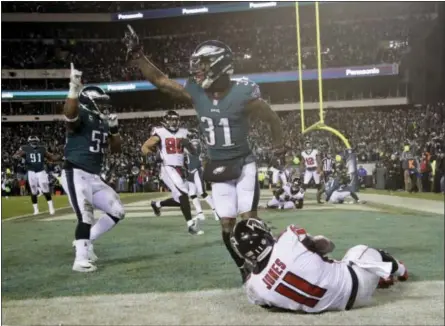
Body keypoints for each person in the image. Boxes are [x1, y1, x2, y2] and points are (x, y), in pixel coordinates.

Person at [124, 26, 285, 282]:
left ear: (219, 64)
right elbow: (160, 81)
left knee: (250, 221)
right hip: (218, 167)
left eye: (203, 64)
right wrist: (138, 55)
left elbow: (272, 118)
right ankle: (244, 269)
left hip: (244, 163)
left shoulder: (244, 92)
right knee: (226, 226)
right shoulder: (196, 91)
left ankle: (267, 267)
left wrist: (279, 145)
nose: (197, 70)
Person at [231, 219, 408, 313]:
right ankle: (401, 270)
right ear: (263, 236)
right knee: (360, 250)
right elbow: (329, 246)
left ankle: (382, 277)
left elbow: (270, 305)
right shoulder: (288, 238)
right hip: (356, 283)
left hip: (334, 306)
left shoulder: (253, 287)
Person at [62, 63, 125, 272]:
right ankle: (80, 260)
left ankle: (85, 241)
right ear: (89, 102)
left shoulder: (102, 121)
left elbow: (116, 150)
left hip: (94, 176)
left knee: (117, 211)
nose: (104, 106)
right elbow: (70, 117)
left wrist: (114, 130)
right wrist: (73, 87)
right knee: (86, 215)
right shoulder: (81, 113)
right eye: (99, 102)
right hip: (76, 171)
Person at [141, 110, 203, 235]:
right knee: (184, 193)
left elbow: (194, 152)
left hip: (179, 168)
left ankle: (157, 204)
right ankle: (191, 225)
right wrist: (152, 156)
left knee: (180, 199)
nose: (174, 122)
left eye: (175, 119)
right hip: (167, 167)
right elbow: (144, 147)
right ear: (165, 121)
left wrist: (189, 146)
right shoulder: (160, 132)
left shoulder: (184, 132)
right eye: (171, 119)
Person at [13, 136, 60, 215]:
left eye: (35, 141)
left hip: (41, 171)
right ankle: (36, 210)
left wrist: (59, 156)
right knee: (33, 191)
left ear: (37, 141)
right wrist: (17, 156)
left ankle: (51, 208)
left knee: (45, 189)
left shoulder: (42, 148)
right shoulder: (25, 148)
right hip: (31, 172)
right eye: (32, 141)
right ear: (29, 142)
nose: (34, 143)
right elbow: (16, 155)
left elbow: (51, 157)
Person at [185, 129, 219, 221]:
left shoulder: (195, 143)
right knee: (192, 193)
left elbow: (192, 153)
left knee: (202, 192)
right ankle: (200, 213)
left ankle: (216, 211)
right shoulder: (193, 143)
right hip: (190, 170)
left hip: (195, 170)